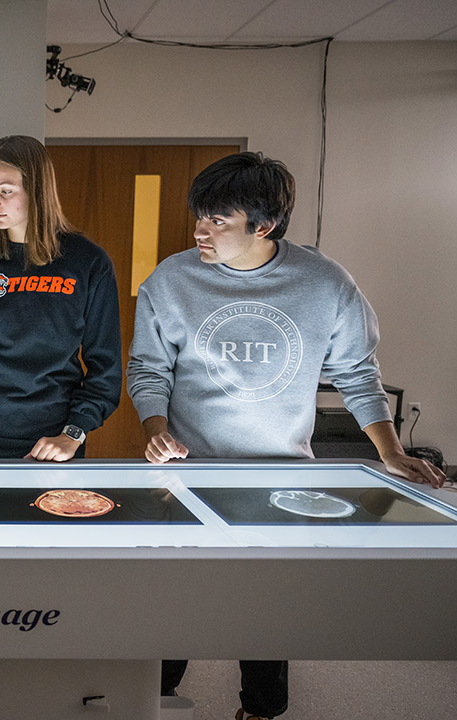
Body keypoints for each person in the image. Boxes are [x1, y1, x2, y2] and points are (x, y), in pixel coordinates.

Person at [126, 151, 445, 720]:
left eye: (218, 220)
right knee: (177, 604)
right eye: (199, 216)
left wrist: (390, 451)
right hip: (188, 474)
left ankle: (261, 711)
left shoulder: (324, 283)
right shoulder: (171, 280)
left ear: (264, 225)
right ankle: (157, 704)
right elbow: (150, 368)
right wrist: (156, 428)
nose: (199, 230)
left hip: (281, 476)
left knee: (266, 609)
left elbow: (356, 371)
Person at [0, 134, 120, 460]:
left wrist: (73, 433)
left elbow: (106, 368)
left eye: (6, 191)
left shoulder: (88, 263)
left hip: (53, 446)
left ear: (37, 190)